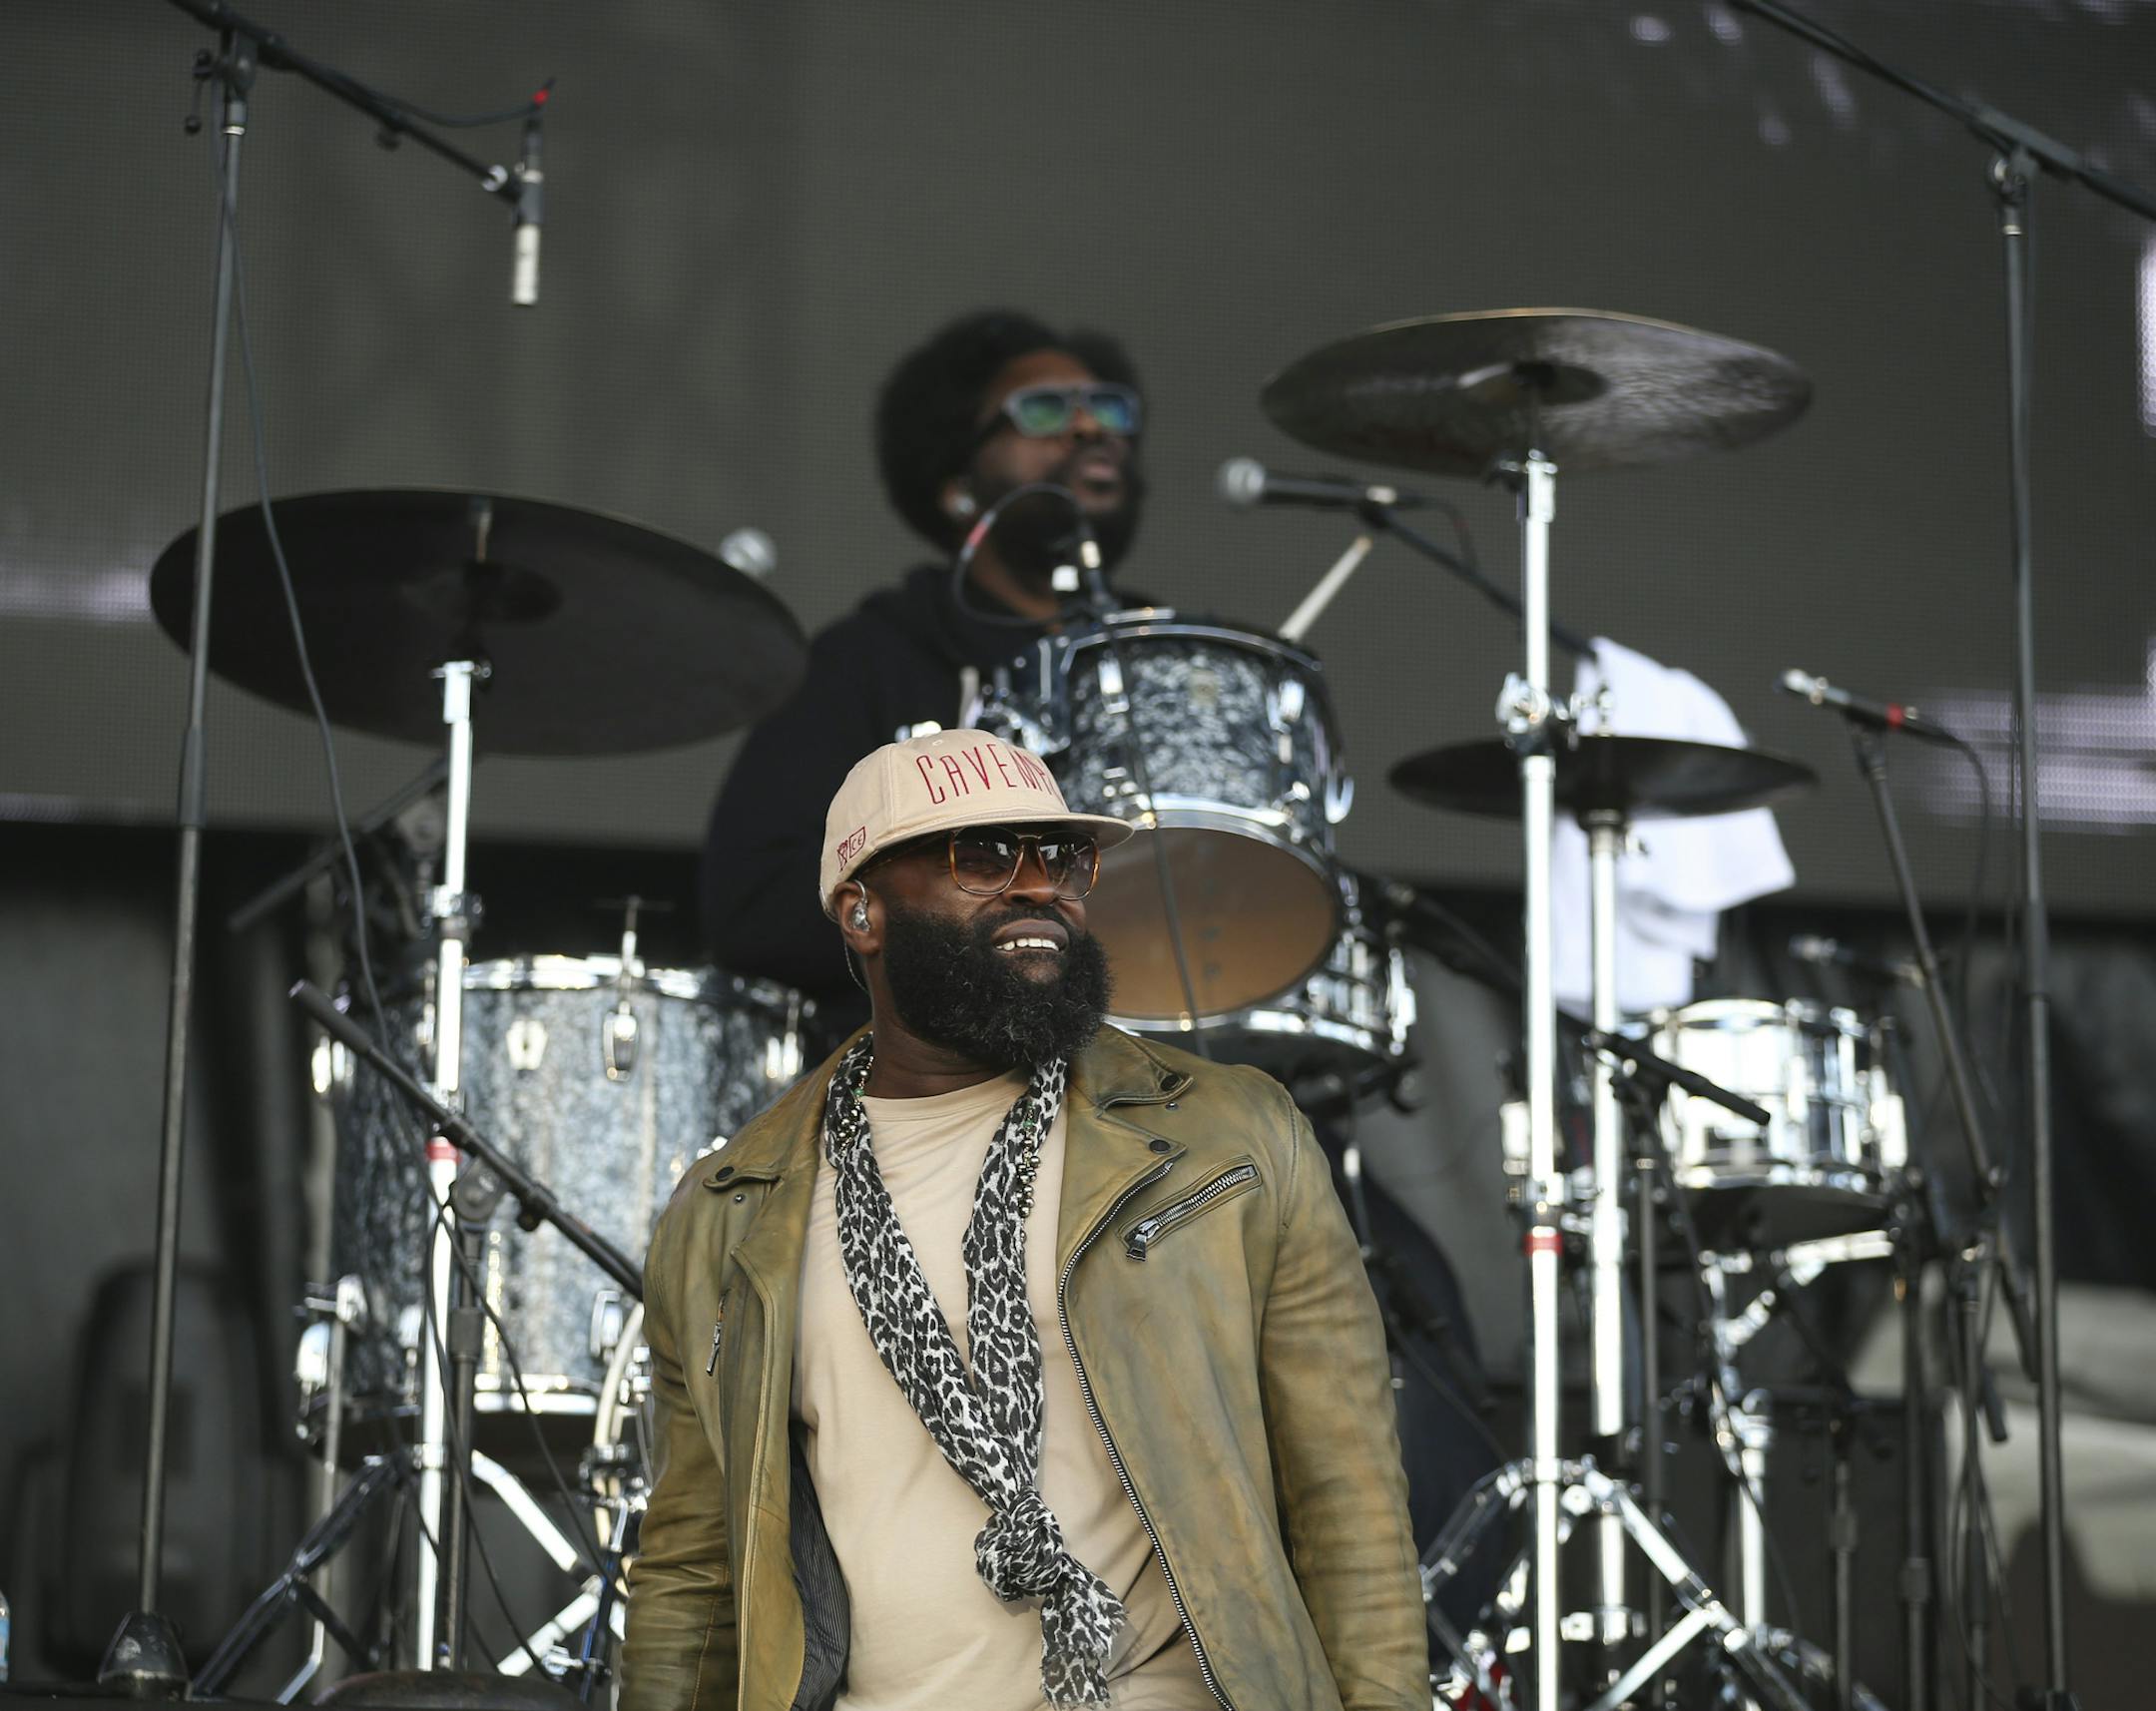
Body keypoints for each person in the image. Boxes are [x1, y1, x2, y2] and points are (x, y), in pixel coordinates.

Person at [625, 728, 1429, 1711]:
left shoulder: (1233, 1137)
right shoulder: (726, 1212)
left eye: (1059, 857)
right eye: (982, 855)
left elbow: (1352, 1503)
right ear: (863, 910)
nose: (1038, 884)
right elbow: (696, 1573)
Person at [699, 308, 1149, 1016]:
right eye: (1043, 410)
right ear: (957, 483)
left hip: (1152, 1066)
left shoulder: (1163, 653)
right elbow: (753, 905)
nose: (1092, 428)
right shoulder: (871, 658)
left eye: (1109, 410)